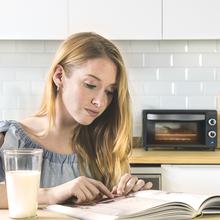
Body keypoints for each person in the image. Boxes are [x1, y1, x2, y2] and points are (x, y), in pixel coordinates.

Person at [0, 32, 152, 208]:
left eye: (109, 92)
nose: (100, 101)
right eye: (90, 85)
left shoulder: (104, 147)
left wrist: (129, 198)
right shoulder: (8, 139)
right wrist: (52, 194)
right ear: (59, 76)